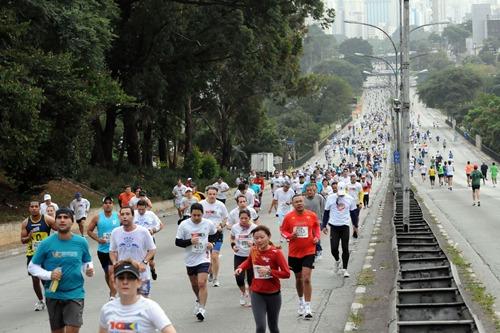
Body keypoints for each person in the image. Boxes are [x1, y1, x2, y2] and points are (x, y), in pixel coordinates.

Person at [28, 208, 94, 333]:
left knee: (72, 330)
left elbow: (87, 261)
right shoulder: (46, 244)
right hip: (53, 294)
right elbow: (32, 267)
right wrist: (49, 274)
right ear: (55, 221)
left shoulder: (81, 242)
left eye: (66, 217)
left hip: (75, 293)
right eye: (59, 217)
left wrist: (89, 270)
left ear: (72, 221)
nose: (62, 220)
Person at [235, 225, 290, 333]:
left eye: (262, 237)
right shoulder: (254, 250)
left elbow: (286, 273)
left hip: (273, 295)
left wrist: (270, 272)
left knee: (273, 327)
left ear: (268, 237)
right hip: (257, 294)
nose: (259, 240)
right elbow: (249, 262)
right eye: (256, 238)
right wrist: (240, 268)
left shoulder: (276, 253)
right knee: (260, 327)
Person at [99, 260, 177, 333]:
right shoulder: (107, 309)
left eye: (130, 278)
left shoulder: (150, 307)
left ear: (139, 282)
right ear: (115, 282)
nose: (125, 282)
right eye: (121, 278)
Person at [175, 203, 218, 321]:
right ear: (190, 214)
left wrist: (212, 244)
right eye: (194, 215)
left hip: (203, 257)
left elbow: (215, 234)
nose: (196, 217)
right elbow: (177, 242)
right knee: (194, 285)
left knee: (201, 283)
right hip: (190, 259)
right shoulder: (184, 225)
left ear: (202, 214)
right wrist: (190, 241)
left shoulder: (208, 223)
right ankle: (199, 300)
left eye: (199, 215)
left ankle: (202, 309)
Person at [280, 194, 320, 319]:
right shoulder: (288, 217)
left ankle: (308, 307)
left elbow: (316, 227)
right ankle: (301, 301)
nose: (299, 203)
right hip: (294, 252)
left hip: (309, 250)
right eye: (296, 202)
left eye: (301, 201)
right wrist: (289, 236)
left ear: (304, 202)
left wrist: (317, 237)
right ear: (293, 204)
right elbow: (283, 230)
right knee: (298, 279)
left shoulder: (311, 215)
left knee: (306, 278)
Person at [109, 207, 157, 298]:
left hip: (141, 275)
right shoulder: (115, 232)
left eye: (127, 214)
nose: (125, 217)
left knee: (143, 304)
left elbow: (152, 249)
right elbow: (112, 251)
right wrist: (115, 263)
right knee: (126, 306)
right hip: (124, 275)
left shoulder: (143, 231)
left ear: (133, 216)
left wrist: (144, 262)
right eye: (122, 214)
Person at [21, 201, 56, 311]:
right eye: (32, 206)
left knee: (46, 278)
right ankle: (41, 301)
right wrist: (29, 237)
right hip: (32, 254)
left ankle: (52, 298)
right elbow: (22, 240)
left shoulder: (47, 219)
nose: (34, 208)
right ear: (29, 208)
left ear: (39, 208)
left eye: (36, 206)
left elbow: (61, 229)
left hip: (46, 254)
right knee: (35, 278)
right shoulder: (26, 223)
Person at [87, 196, 121, 299]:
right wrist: (98, 239)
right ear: (103, 205)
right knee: (107, 273)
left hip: (115, 251)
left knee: (112, 271)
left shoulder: (118, 216)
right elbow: (89, 231)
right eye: (106, 203)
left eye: (110, 203)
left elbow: (126, 227)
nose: (108, 205)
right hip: (102, 251)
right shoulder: (97, 217)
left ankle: (113, 295)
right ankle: (112, 290)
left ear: (112, 204)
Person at [321, 183, 358, 277]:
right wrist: (324, 225)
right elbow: (326, 212)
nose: (340, 195)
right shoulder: (330, 198)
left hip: (345, 226)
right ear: (336, 189)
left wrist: (355, 226)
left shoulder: (350, 199)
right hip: (334, 226)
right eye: (339, 193)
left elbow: (353, 213)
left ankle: (345, 269)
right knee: (334, 248)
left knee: (345, 248)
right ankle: (337, 260)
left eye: (342, 193)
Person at [201, 186, 229, 287]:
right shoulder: (201, 204)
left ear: (217, 195)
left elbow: (226, 218)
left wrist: (222, 225)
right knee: (207, 257)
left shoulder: (220, 205)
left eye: (214, 194)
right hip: (204, 234)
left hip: (217, 233)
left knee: (215, 256)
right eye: (210, 194)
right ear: (206, 194)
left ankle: (216, 278)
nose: (212, 196)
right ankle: (211, 272)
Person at [230, 209, 257, 306]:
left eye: (246, 218)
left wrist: (254, 243)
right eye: (242, 218)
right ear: (239, 218)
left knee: (251, 279)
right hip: (239, 255)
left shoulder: (254, 228)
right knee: (239, 278)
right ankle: (243, 293)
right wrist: (233, 246)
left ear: (250, 218)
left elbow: (261, 240)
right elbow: (232, 238)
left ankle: (250, 297)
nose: (244, 220)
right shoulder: (235, 227)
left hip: (251, 256)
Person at [134, 200, 164, 281]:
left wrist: (153, 230)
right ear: (137, 207)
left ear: (146, 207)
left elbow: (161, 225)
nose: (141, 211)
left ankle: (152, 269)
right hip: (136, 241)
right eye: (139, 209)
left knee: (150, 262)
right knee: (137, 260)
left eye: (142, 210)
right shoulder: (133, 214)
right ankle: (138, 277)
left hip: (149, 240)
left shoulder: (151, 214)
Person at [303, 183, 325, 260]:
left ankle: (319, 251)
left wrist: (323, 221)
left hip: (317, 221)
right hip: (306, 222)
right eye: (308, 190)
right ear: (305, 191)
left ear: (314, 191)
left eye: (311, 190)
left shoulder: (319, 197)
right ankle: (312, 252)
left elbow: (323, 209)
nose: (309, 192)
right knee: (309, 238)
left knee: (316, 237)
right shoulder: (303, 199)